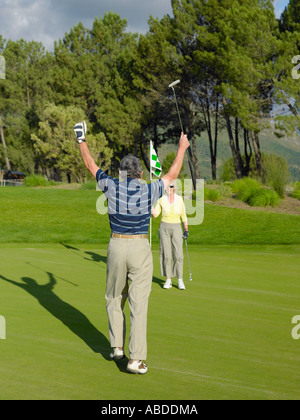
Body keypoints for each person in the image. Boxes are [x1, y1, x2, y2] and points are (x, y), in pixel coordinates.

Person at [73, 121, 190, 375]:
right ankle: (136, 360)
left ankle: (116, 347)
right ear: (139, 173)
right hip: (139, 247)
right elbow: (171, 175)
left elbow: (90, 165)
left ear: (121, 173)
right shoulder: (149, 189)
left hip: (116, 245)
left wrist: (81, 138)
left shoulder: (111, 186)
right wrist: (182, 148)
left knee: (114, 297)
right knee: (138, 303)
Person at [152, 181, 188, 290]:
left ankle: (180, 279)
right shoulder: (161, 200)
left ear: (174, 188)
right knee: (166, 254)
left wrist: (186, 229)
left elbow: (184, 215)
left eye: (170, 187)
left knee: (178, 254)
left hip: (177, 227)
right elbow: (155, 215)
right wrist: (150, 205)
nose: (169, 188)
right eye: (167, 187)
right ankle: (168, 279)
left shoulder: (179, 199)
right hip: (164, 228)